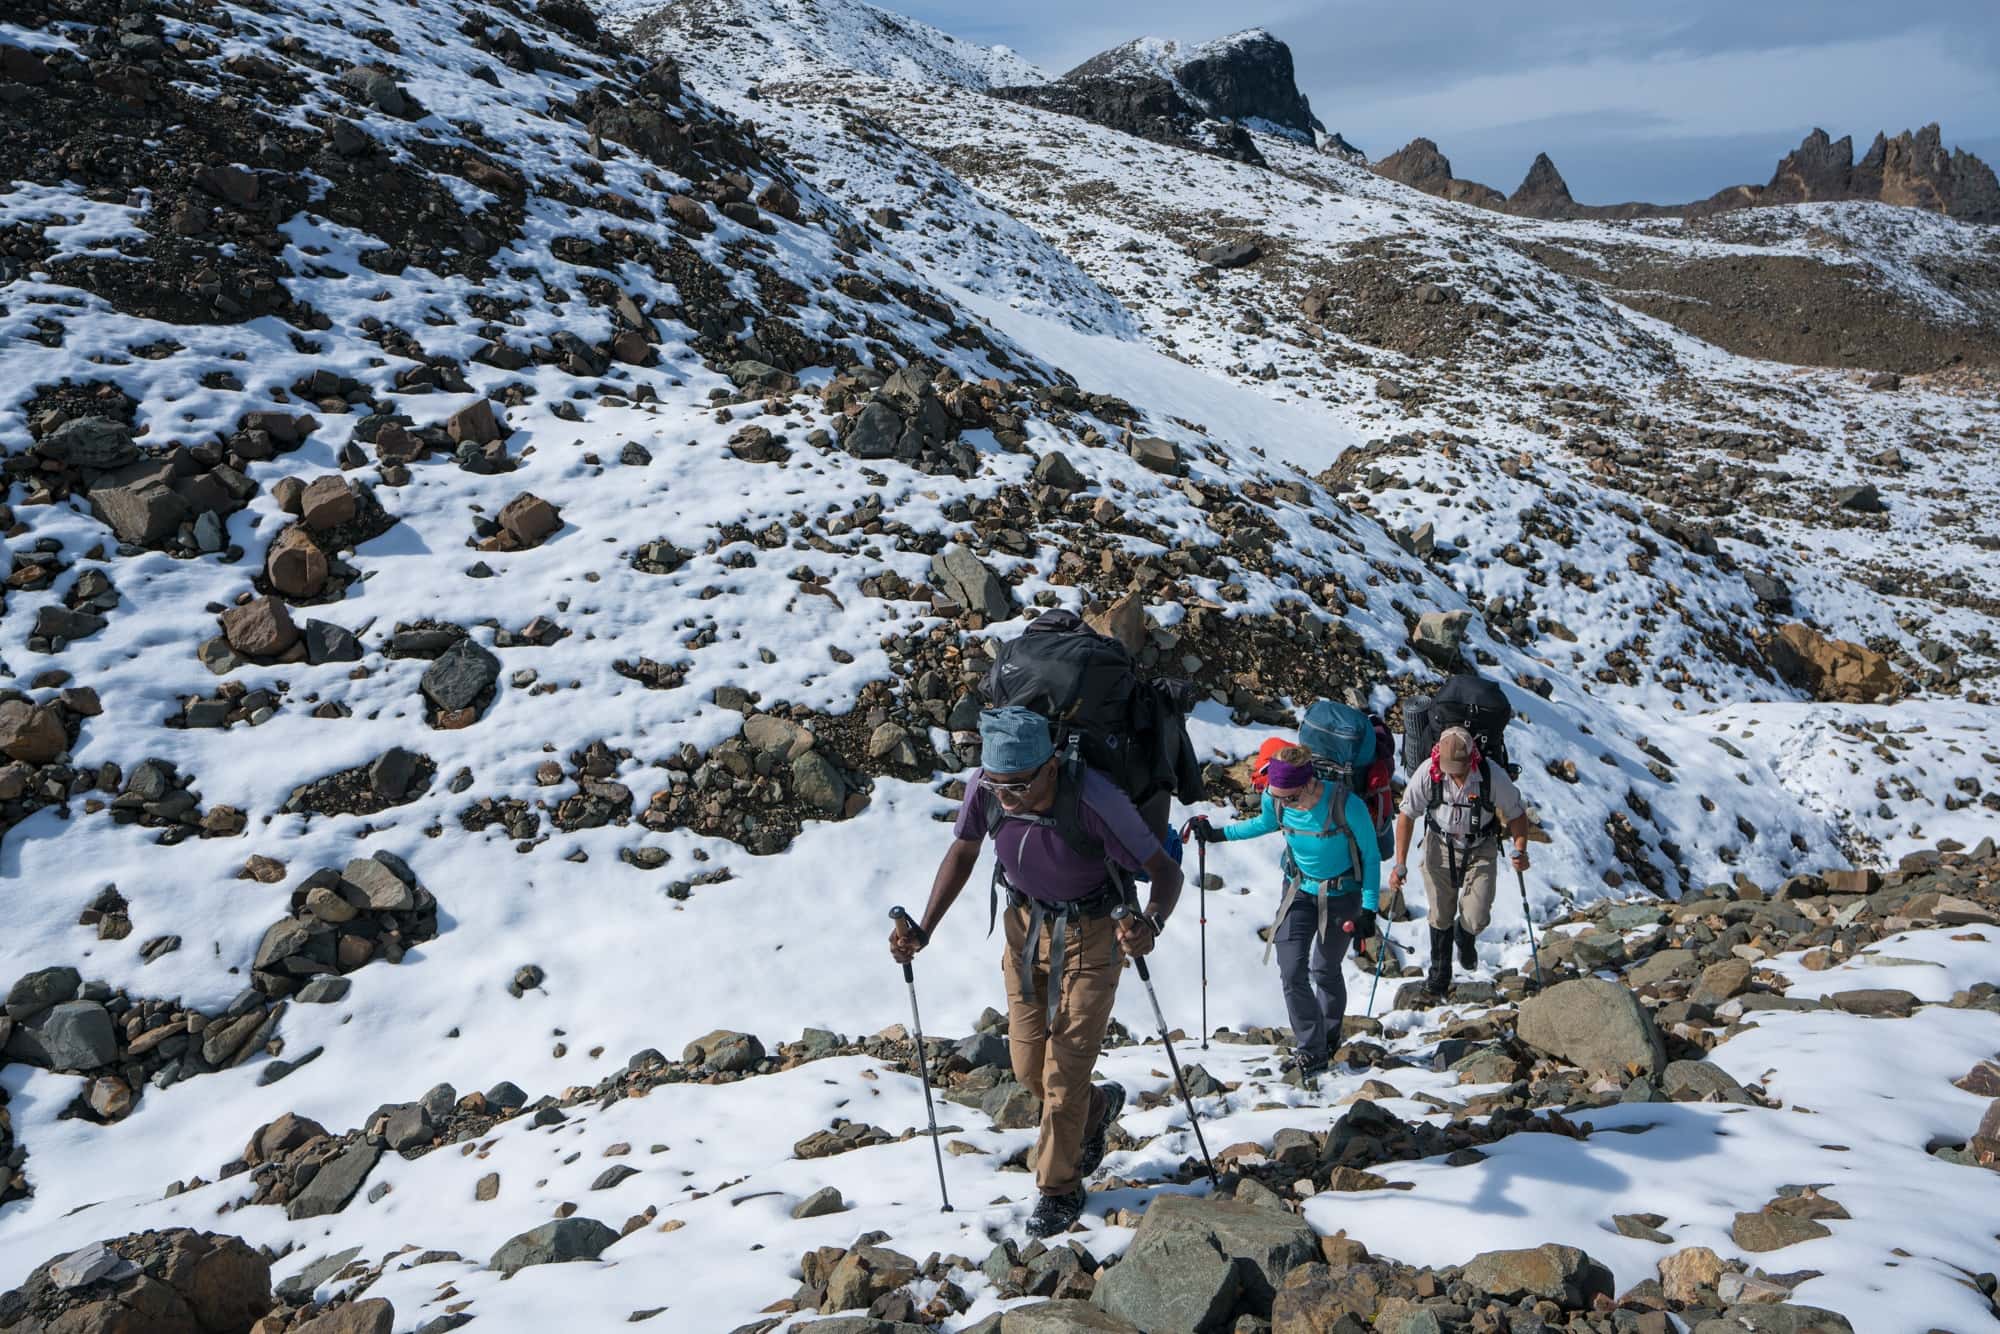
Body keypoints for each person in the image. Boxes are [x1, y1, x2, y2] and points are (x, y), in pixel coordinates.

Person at [889, 705, 1183, 1238]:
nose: (1005, 797)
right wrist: (925, 927)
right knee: (1028, 1068)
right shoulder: (986, 786)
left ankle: (1059, 1188)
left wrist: (1151, 924)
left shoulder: (1096, 799)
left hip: (1095, 936)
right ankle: (1098, 1107)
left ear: (1051, 765)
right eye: (998, 786)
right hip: (1024, 929)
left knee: (1063, 1074)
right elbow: (963, 848)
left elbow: (1165, 870)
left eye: (1018, 786)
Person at [1192, 745, 1379, 1085]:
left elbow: (1370, 856)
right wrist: (1219, 834)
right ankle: (1312, 1048)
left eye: (1290, 798)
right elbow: (1263, 824)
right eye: (1277, 797)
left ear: (1308, 784)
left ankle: (1329, 1035)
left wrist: (1369, 908)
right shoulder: (1277, 799)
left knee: (1325, 968)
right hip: (1298, 890)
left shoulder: (1346, 805)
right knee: (1292, 969)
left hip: (1342, 895)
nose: (1284, 805)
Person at [1388, 726, 1530, 995]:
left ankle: (1464, 936)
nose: (1454, 773)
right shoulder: (1429, 773)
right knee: (1440, 913)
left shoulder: (1491, 775)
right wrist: (1400, 862)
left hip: (1480, 846)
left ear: (1472, 758)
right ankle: (1439, 976)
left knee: (1477, 916)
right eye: (1449, 767)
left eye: (1460, 767)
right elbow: (1407, 815)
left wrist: (1520, 849)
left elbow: (1516, 814)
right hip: (1438, 845)